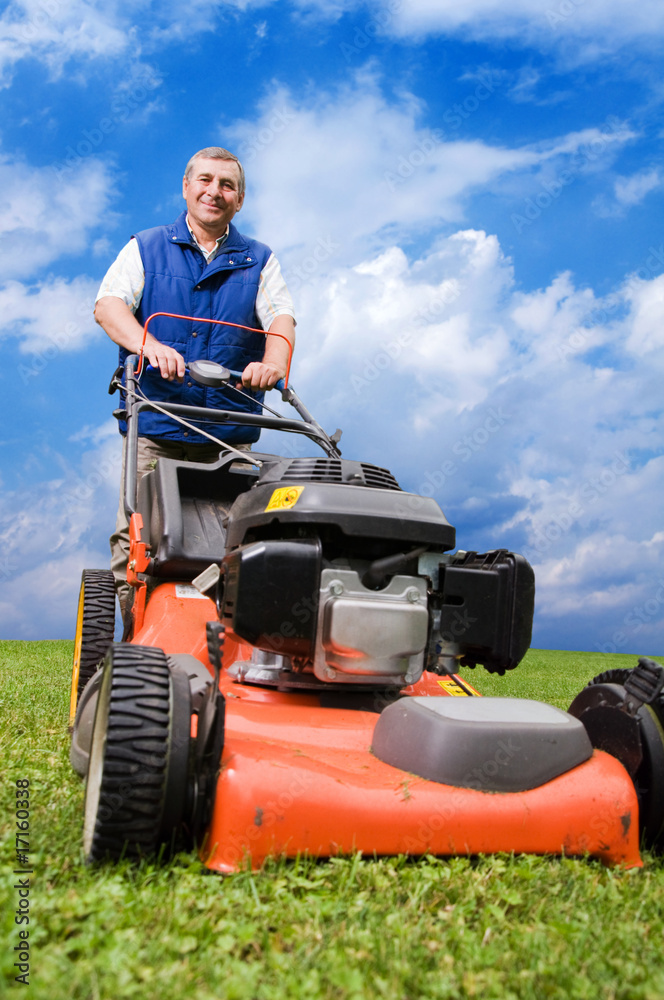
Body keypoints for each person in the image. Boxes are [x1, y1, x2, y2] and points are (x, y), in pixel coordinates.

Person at [95, 146, 296, 615]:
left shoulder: (259, 259)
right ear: (186, 187)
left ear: (240, 199)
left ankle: (225, 642)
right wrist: (150, 345)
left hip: (225, 430)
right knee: (137, 537)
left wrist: (273, 364)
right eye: (205, 181)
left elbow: (282, 319)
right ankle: (127, 646)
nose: (214, 192)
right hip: (157, 423)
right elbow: (109, 306)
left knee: (237, 541)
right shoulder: (145, 246)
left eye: (227, 185)